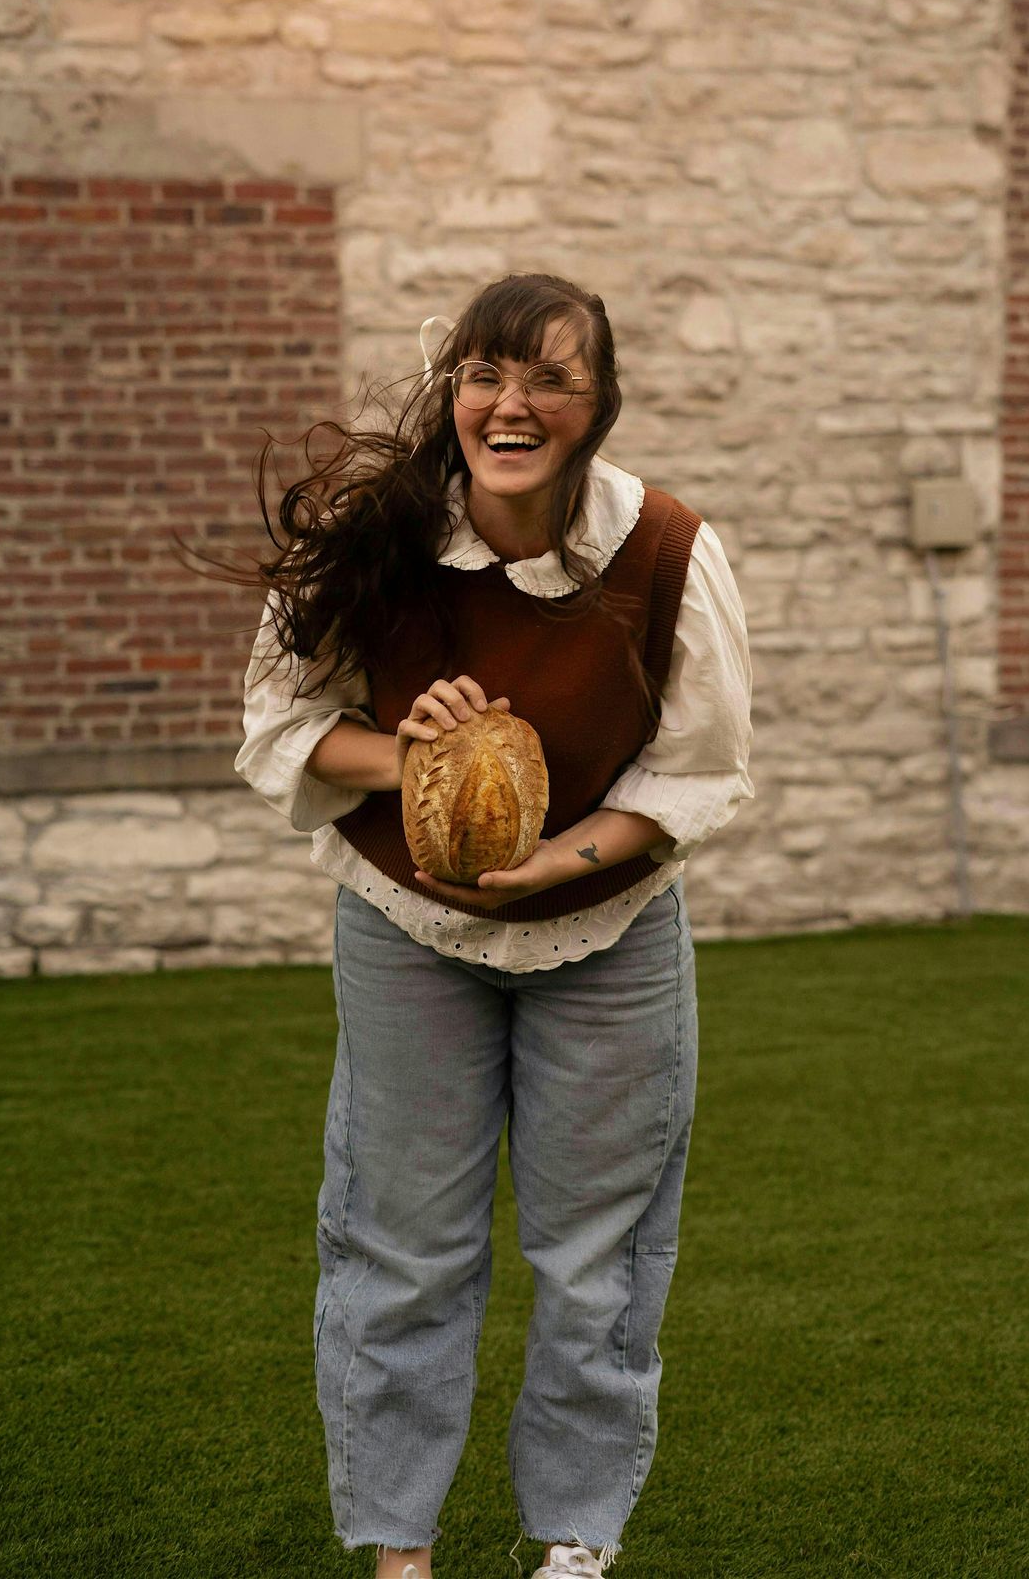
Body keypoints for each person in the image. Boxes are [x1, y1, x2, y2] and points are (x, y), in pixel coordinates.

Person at [233, 272, 754, 1579]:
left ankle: (574, 1543)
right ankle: (397, 1550)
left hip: (610, 933)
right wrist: (395, 746)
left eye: (551, 379)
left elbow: (697, 769)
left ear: (601, 405)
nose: (511, 403)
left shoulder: (670, 550)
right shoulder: (378, 536)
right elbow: (278, 724)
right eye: (486, 374)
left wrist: (558, 861)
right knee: (399, 1245)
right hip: (408, 925)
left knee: (599, 1258)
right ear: (453, 390)